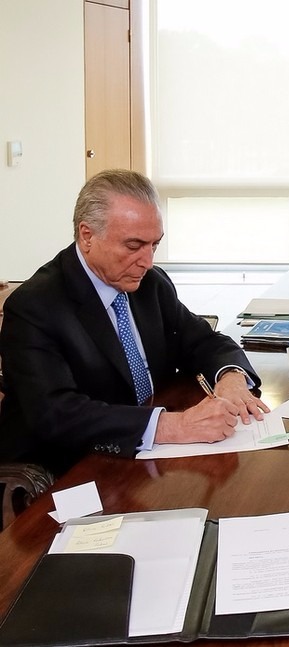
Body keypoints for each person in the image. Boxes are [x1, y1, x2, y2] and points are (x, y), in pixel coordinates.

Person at [0, 169, 270, 476]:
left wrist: (231, 378)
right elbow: (57, 415)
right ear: (87, 235)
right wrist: (173, 426)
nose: (148, 261)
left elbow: (202, 340)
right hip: (66, 468)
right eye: (134, 246)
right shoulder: (34, 306)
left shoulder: (149, 283)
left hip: (148, 458)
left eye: (154, 245)